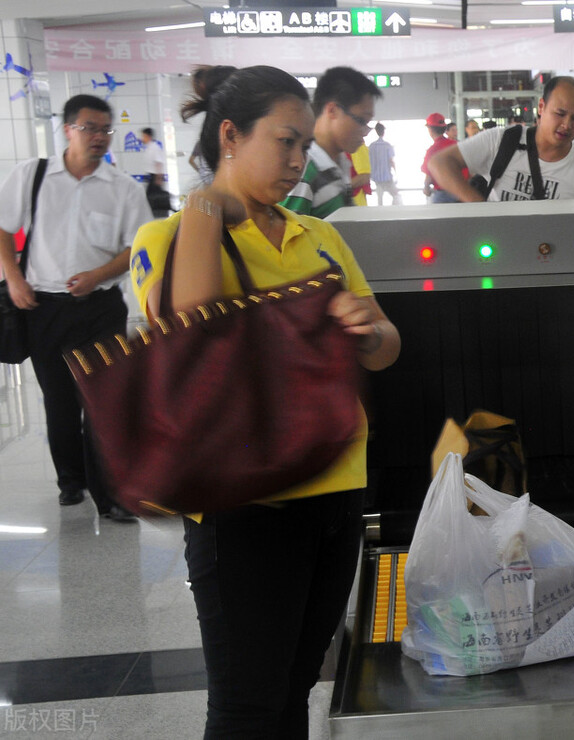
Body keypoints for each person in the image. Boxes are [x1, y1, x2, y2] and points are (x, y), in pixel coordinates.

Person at [128, 64, 400, 736]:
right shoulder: (168, 238)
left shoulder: (321, 237)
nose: (298, 159)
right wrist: (205, 203)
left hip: (336, 487)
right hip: (243, 503)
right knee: (247, 704)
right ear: (229, 134)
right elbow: (194, 330)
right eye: (284, 141)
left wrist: (363, 330)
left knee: (295, 684)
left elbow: (390, 342)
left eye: (305, 145)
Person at [0, 94, 153, 522]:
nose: (100, 137)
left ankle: (112, 496)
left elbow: (137, 246)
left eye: (106, 129)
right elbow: (2, 226)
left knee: (103, 402)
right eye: (90, 128)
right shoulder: (31, 176)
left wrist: (98, 273)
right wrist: (13, 278)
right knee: (60, 402)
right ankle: (71, 480)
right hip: (43, 307)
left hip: (99, 308)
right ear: (67, 129)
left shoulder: (123, 189)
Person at [427, 76, 574, 203]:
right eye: (560, 114)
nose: (567, 125)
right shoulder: (501, 141)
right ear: (542, 107)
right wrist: (480, 208)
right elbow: (439, 163)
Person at [279, 66, 380, 218]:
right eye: (361, 120)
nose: (365, 131)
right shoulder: (303, 168)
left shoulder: (340, 163)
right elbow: (287, 238)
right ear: (332, 110)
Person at [421, 112, 459, 203]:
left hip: (443, 196)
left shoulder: (432, 151)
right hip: (461, 193)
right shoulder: (456, 145)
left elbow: (429, 176)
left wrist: (426, 188)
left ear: (430, 130)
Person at [368, 123, 398, 206]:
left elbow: (368, 162)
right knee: (396, 196)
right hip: (387, 177)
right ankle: (393, 213)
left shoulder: (371, 146)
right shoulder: (388, 146)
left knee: (379, 200)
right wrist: (396, 174)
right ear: (383, 132)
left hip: (376, 178)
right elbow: (391, 161)